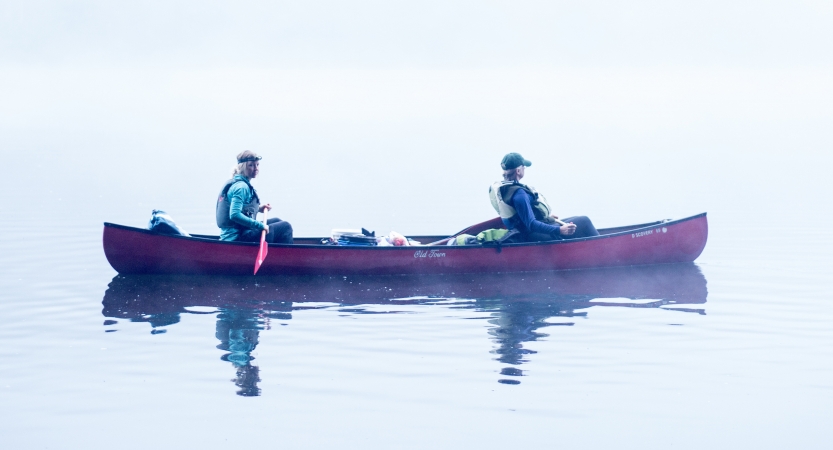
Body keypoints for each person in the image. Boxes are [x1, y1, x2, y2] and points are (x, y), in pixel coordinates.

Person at [488, 153, 599, 243]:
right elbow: (531, 224)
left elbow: (520, 216)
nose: (524, 169)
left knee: (576, 219)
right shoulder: (519, 194)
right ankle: (602, 251)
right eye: (524, 167)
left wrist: (546, 217)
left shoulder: (505, 188)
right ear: (518, 171)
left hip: (522, 232)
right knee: (584, 221)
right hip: (533, 235)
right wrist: (559, 230)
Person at [216, 150, 293, 244]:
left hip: (243, 231)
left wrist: (259, 208)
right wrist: (260, 226)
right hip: (237, 238)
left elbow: (243, 208)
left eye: (257, 165)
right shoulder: (241, 187)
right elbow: (235, 214)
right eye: (251, 165)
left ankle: (276, 253)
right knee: (285, 226)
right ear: (243, 167)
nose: (256, 168)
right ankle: (285, 256)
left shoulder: (239, 183)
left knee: (277, 221)